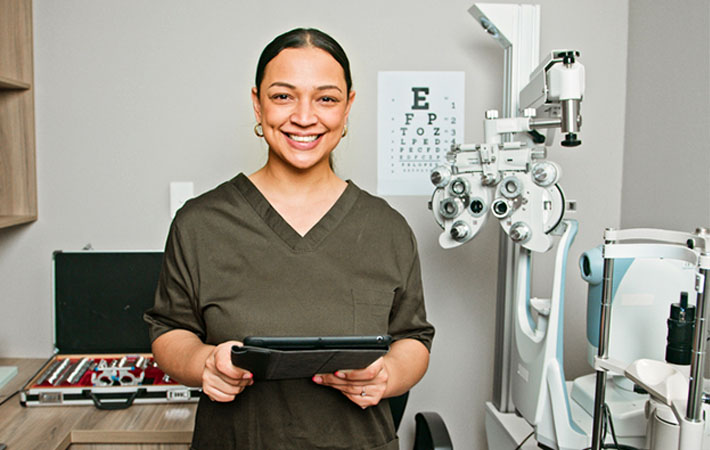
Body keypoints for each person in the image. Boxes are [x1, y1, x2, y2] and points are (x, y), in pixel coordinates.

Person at [144, 28, 434, 450]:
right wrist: (203, 362)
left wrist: (388, 374)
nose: (304, 116)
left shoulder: (386, 228)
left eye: (326, 98)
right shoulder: (200, 223)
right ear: (257, 103)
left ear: (348, 106)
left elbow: (413, 339)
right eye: (283, 96)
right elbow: (169, 330)